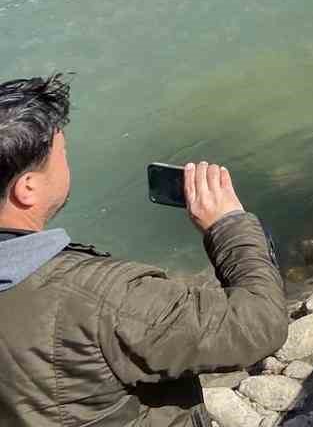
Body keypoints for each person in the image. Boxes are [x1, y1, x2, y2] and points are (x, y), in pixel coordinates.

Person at [0, 76, 288, 427]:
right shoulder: (101, 299)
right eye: (61, 155)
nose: (66, 162)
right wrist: (228, 224)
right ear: (27, 188)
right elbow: (259, 324)